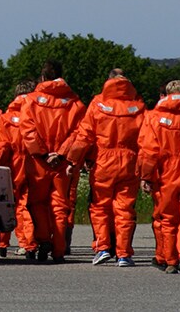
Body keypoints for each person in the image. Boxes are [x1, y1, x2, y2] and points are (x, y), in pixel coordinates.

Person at [60, 69, 146, 267]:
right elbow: (146, 138)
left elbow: (84, 136)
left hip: (103, 162)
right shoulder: (138, 106)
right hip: (130, 161)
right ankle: (124, 254)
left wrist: (74, 161)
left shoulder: (98, 104)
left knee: (100, 207)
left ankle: (103, 248)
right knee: (124, 209)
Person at [19, 60, 85, 263]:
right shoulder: (75, 103)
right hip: (62, 163)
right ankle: (58, 249)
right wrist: (61, 153)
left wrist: (43, 153)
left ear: (42, 77)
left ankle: (42, 239)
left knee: (36, 203)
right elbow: (79, 132)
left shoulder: (30, 101)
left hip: (38, 161)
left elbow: (27, 130)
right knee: (60, 206)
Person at [137, 79, 180, 275]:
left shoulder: (153, 117)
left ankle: (171, 261)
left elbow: (149, 151)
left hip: (165, 172)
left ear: (166, 94)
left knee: (167, 218)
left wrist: (146, 177)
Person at [0, 81, 37, 259]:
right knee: (27, 205)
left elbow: (2, 147)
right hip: (34, 162)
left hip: (12, 164)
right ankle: (29, 244)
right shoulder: (37, 114)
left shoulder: (5, 117)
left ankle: (2, 243)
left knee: (6, 202)